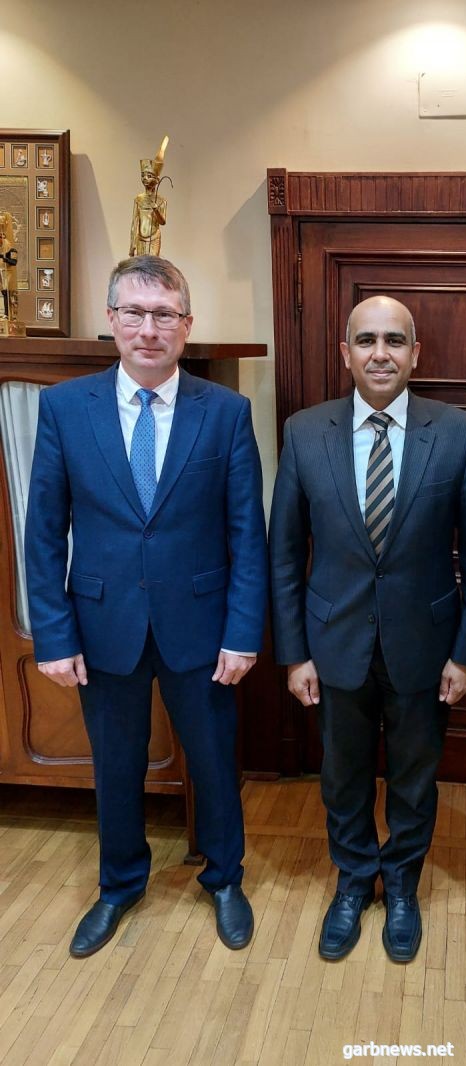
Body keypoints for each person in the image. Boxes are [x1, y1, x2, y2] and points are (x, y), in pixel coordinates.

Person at [25, 256, 267, 958]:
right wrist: (54, 635)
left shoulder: (225, 413)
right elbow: (44, 532)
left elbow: (246, 533)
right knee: (116, 764)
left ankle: (224, 878)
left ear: (187, 325)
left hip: (202, 626)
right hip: (103, 626)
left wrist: (243, 632)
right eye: (134, 312)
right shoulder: (66, 408)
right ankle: (120, 884)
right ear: (112, 320)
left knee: (214, 761)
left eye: (164, 314)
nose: (148, 328)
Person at [269, 295, 466, 963]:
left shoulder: (456, 433)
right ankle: (351, 882)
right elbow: (284, 552)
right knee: (341, 776)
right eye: (366, 340)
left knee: (414, 778)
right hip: (332, 643)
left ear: (415, 353)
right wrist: (294, 654)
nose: (380, 353)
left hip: (425, 646)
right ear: (345, 353)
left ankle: (401, 884)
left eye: (394, 340)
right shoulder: (304, 432)